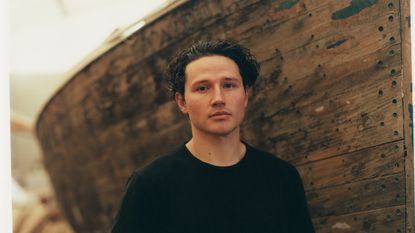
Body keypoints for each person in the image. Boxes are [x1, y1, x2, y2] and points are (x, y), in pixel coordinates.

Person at [111, 39, 315, 233]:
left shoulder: (281, 176)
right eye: (203, 88)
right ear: (182, 102)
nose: (218, 98)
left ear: (245, 95)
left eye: (228, 85)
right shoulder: (150, 184)